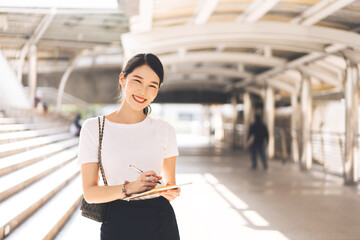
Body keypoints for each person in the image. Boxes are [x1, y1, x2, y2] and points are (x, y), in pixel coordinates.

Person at [78, 53, 180, 240]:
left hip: (161, 222)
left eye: (152, 86)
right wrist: (130, 187)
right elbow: (90, 193)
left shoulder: (165, 130)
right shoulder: (94, 128)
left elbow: (169, 184)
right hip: (117, 222)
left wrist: (170, 190)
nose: (143, 91)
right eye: (138, 81)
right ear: (123, 79)